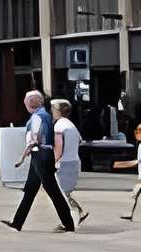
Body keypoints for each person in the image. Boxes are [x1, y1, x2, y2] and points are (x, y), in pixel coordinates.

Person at [6, 87, 75, 232]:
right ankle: (17, 222)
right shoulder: (46, 115)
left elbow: (34, 140)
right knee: (30, 189)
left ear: (30, 104)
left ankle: (69, 224)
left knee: (52, 190)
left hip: (40, 155)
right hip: (42, 155)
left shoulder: (37, 117)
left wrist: (22, 157)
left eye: (27, 103)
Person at [51, 97, 88, 227]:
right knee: (65, 192)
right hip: (74, 161)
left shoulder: (59, 125)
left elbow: (58, 147)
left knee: (61, 194)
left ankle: (71, 219)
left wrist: (54, 161)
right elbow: (79, 141)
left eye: (54, 109)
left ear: (59, 111)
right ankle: (79, 213)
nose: (52, 111)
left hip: (64, 163)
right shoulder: (71, 125)